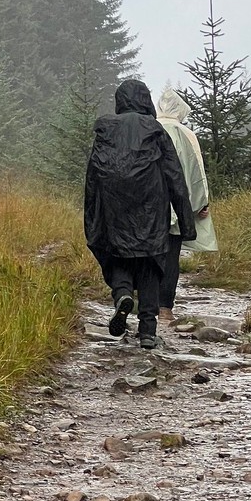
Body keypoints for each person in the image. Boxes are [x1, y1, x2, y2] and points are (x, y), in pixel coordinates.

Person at [84, 78, 196, 350]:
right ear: (146, 100)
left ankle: (123, 294)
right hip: (151, 210)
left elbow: (92, 178)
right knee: (150, 265)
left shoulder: (106, 130)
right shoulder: (155, 130)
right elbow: (175, 178)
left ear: (120, 101)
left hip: (113, 210)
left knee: (117, 257)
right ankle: (147, 330)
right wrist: (186, 223)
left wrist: (91, 218)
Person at [155, 86, 218, 323]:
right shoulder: (186, 134)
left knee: (149, 252)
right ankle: (165, 308)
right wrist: (202, 201)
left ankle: (146, 303)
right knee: (171, 254)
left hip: (149, 204)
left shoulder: (148, 128)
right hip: (178, 203)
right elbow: (197, 171)